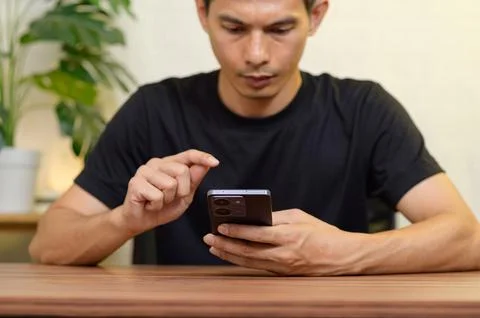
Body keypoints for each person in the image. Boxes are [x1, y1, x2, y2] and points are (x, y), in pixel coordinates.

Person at [29, 0, 479, 276]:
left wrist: (345, 253)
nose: (257, 55)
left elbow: (466, 237)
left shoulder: (363, 109)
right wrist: (123, 221)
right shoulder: (155, 109)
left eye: (280, 29)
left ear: (316, 14)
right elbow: (47, 244)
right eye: (234, 28)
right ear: (202, 13)